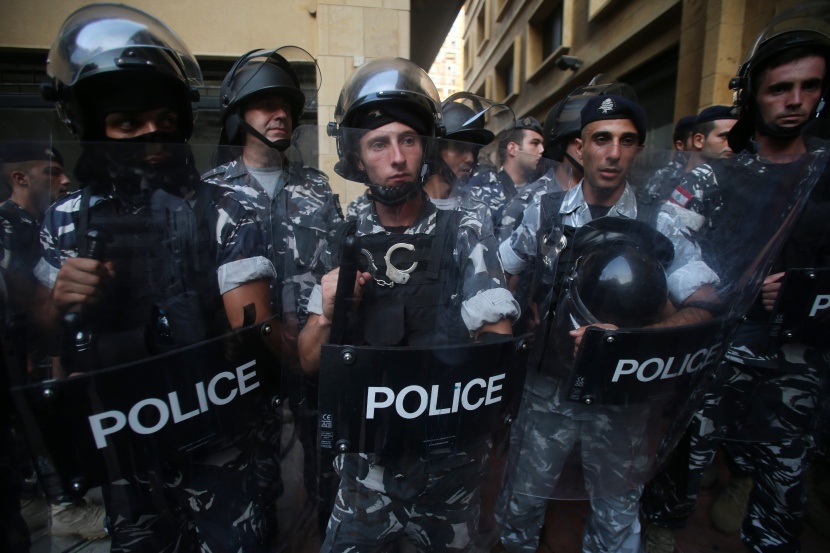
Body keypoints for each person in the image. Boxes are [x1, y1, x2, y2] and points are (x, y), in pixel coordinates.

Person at [33, 5, 278, 550]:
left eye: (164, 121)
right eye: (127, 124)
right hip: (126, 436)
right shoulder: (66, 219)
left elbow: (253, 334)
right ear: (93, 127)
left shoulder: (226, 209)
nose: (152, 136)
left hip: (215, 427)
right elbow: (47, 348)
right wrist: (63, 302)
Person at [298, 57, 519, 552]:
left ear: (426, 149)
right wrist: (329, 313)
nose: (397, 157)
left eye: (409, 140)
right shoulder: (342, 235)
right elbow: (309, 359)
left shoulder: (465, 229)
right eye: (379, 144)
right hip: (365, 473)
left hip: (448, 470)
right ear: (357, 159)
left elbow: (496, 350)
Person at [641, 4, 830, 552]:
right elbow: (666, 238)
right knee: (684, 457)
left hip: (801, 356)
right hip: (719, 346)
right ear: (754, 95)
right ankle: (661, 531)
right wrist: (717, 289)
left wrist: (810, 288)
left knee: (784, 476)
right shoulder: (717, 176)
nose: (794, 100)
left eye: (809, 86)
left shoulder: (825, 174)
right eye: (779, 89)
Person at [496, 94, 719, 553]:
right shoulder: (545, 211)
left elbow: (705, 304)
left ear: (638, 150)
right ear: (580, 147)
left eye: (626, 141)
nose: (613, 153)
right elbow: (500, 270)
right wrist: (517, 313)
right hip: (547, 391)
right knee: (521, 501)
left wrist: (635, 344)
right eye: (602, 139)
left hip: (621, 401)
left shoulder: (659, 221)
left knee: (617, 514)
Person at [202, 45, 342, 536]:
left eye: (285, 105)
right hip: (243, 365)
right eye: (265, 104)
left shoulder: (316, 188)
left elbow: (335, 266)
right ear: (239, 114)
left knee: (326, 473)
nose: (279, 114)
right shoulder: (210, 191)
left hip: (311, 352)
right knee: (253, 489)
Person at [464, 116, 545, 228]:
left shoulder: (542, 191)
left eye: (542, 144)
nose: (542, 149)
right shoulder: (484, 187)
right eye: (535, 143)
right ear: (512, 149)